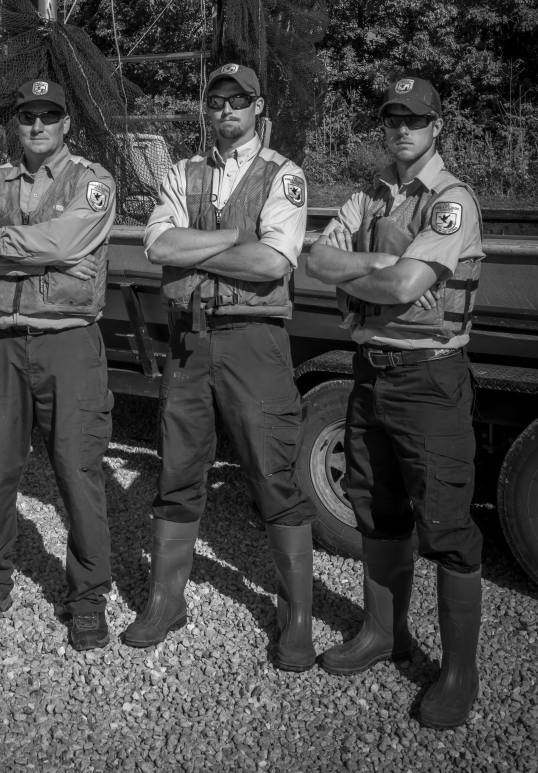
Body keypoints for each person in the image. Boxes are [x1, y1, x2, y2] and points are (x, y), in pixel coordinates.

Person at [124, 64, 317, 670]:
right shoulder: (181, 171)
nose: (227, 109)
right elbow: (158, 245)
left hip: (253, 340)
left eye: (239, 100)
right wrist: (234, 238)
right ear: (205, 108)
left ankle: (297, 618)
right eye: (216, 100)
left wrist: (198, 248)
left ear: (258, 107)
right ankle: (165, 601)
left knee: (273, 473)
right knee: (177, 467)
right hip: (189, 340)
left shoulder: (284, 175)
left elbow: (273, 262)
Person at [308, 75, 484, 729]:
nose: (402, 129)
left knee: (447, 526)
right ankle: (386, 634)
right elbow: (313, 263)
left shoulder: (450, 201)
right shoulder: (367, 197)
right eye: (392, 119)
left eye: (415, 119)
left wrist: (364, 268)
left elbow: (410, 282)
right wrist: (378, 268)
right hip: (371, 373)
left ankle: (459, 672)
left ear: (437, 126)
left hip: (429, 379)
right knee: (375, 509)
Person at [0, 79, 116, 650]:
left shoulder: (92, 181)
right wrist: (44, 254)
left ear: (66, 123)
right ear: (15, 123)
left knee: (77, 469)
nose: (38, 125)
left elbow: (66, 243)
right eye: (27, 116)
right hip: (1, 341)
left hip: (67, 343)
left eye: (49, 115)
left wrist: (0, 244)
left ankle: (87, 597)